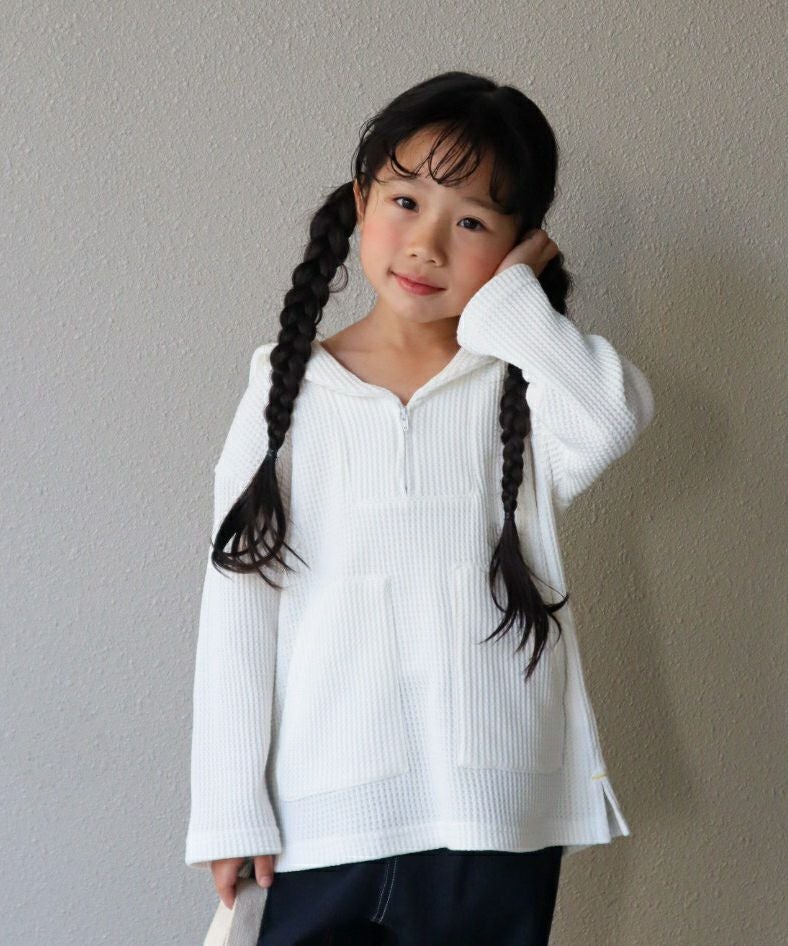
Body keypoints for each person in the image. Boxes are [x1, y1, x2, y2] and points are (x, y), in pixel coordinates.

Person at [185, 70, 655, 946]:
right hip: (322, 824)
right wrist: (228, 806)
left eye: (472, 221)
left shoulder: (524, 388)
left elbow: (614, 415)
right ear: (361, 201)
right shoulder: (284, 392)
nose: (428, 244)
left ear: (522, 243)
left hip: (494, 822)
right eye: (405, 201)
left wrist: (511, 303)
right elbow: (239, 604)